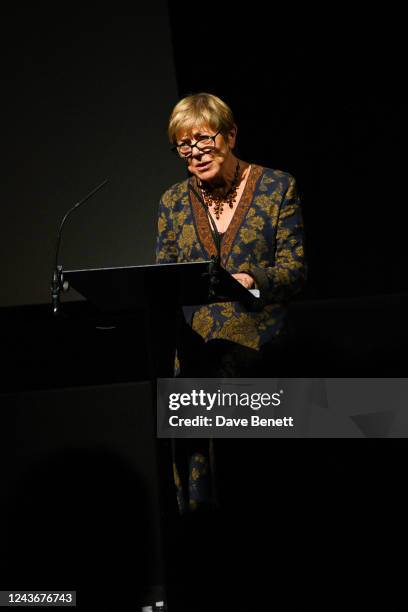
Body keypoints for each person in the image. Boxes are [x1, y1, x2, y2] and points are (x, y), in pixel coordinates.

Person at [156, 92, 306, 515]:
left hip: (262, 347)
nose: (195, 153)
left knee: (259, 483)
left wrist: (251, 279)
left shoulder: (278, 186)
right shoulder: (171, 202)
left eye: (204, 140)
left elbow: (295, 271)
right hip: (198, 352)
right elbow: (167, 279)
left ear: (231, 135)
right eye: (184, 146)